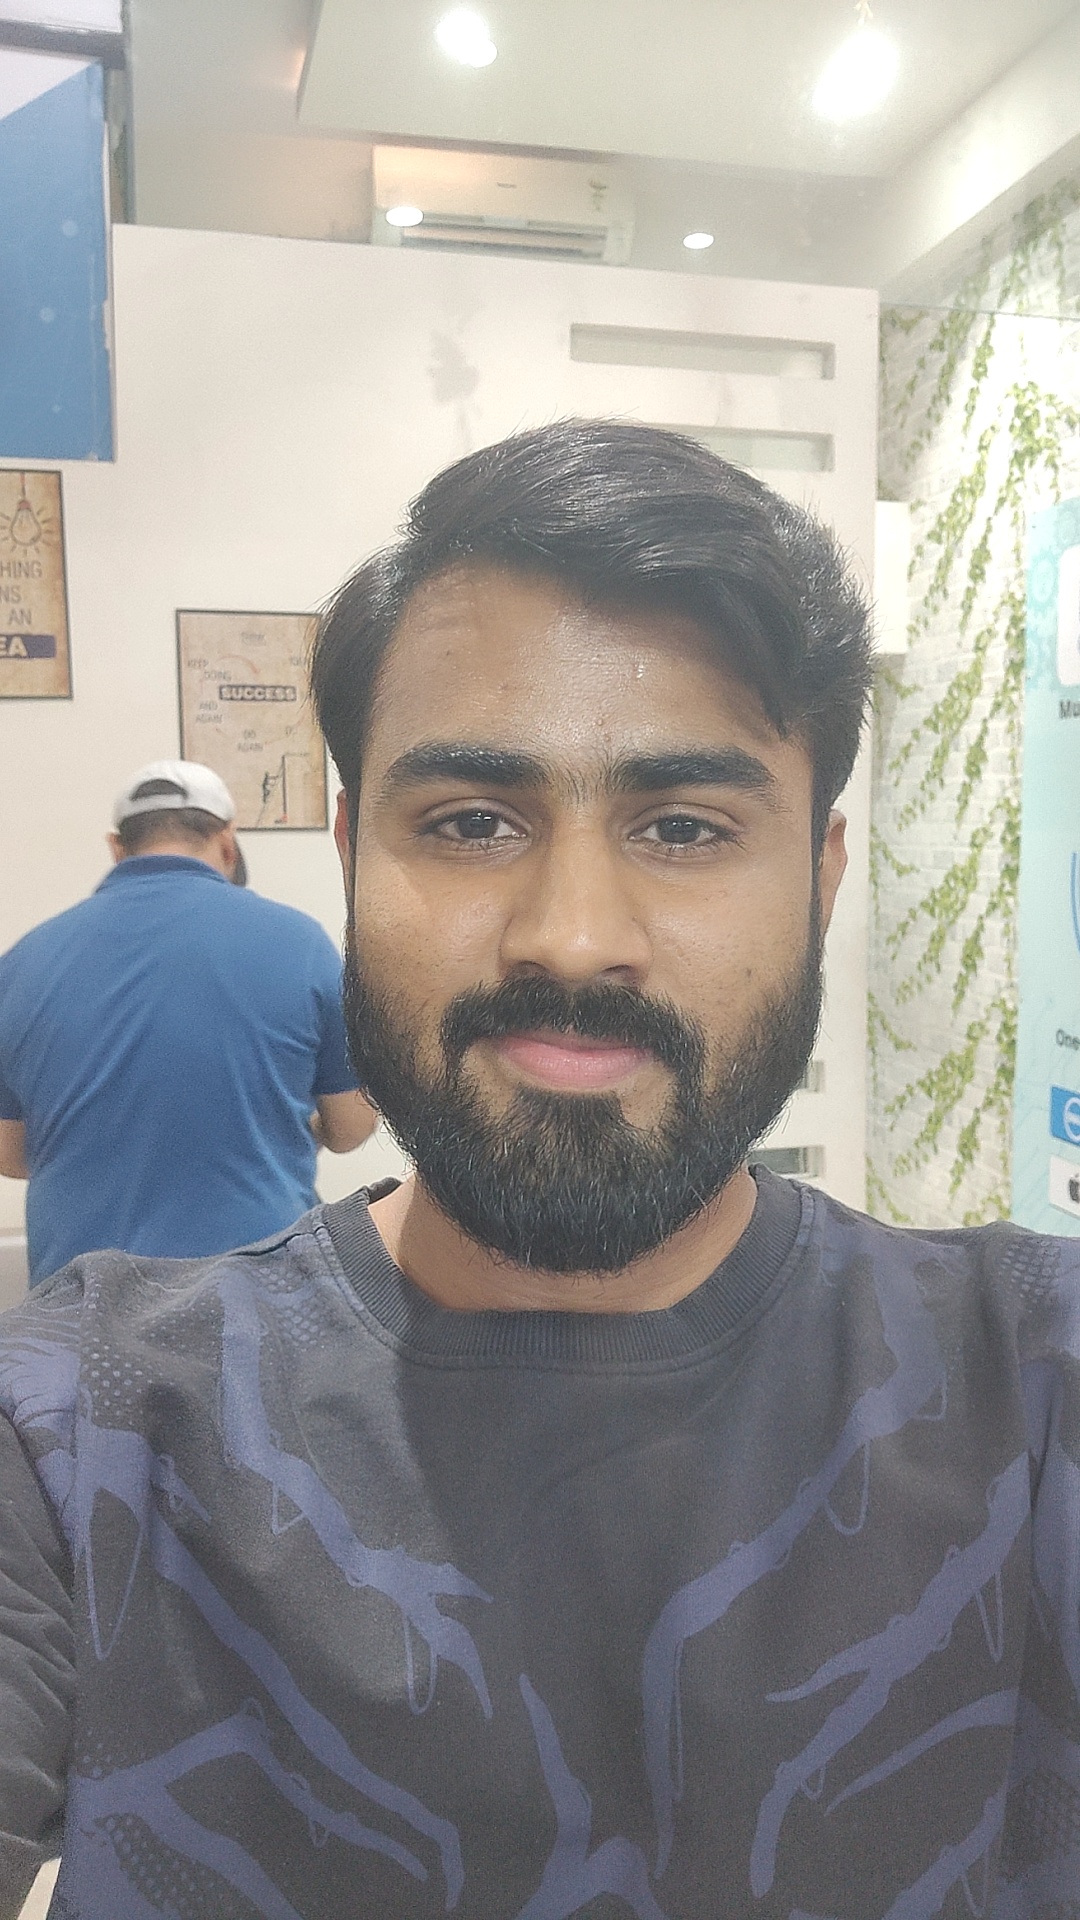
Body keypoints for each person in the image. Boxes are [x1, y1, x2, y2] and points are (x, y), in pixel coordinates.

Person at [0, 421, 1076, 1920]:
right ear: (351, 855)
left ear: (821, 880)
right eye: (473, 823)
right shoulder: (83, 1427)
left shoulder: (1034, 1389)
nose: (571, 937)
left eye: (684, 827)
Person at [0, 759, 374, 1284]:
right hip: (257, 1291)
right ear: (227, 843)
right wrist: (282, 1132)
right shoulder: (300, 943)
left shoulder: (22, 963)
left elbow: (10, 1154)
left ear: (116, 847)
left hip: (80, 1302)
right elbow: (353, 1125)